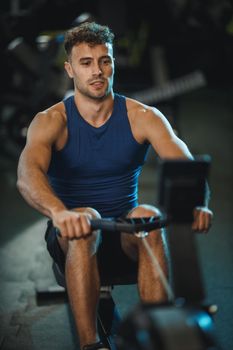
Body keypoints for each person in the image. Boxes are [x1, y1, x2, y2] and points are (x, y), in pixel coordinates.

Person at [17, 22, 213, 350]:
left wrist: (198, 204)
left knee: (148, 215)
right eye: (86, 63)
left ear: (113, 64)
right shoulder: (52, 121)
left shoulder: (143, 116)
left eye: (104, 61)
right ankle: (89, 345)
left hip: (125, 237)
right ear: (70, 69)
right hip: (72, 235)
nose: (97, 71)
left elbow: (187, 169)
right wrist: (59, 212)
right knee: (85, 220)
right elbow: (28, 173)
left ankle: (161, 333)